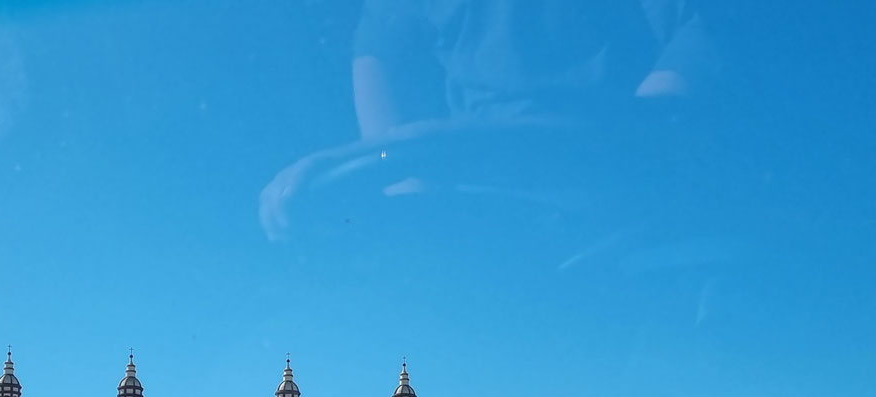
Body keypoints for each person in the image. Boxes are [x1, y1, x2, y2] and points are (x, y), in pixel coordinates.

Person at [259, 0, 724, 252]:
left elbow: (650, 134)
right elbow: (380, 50)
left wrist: (413, 149)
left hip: (629, 234)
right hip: (482, 233)